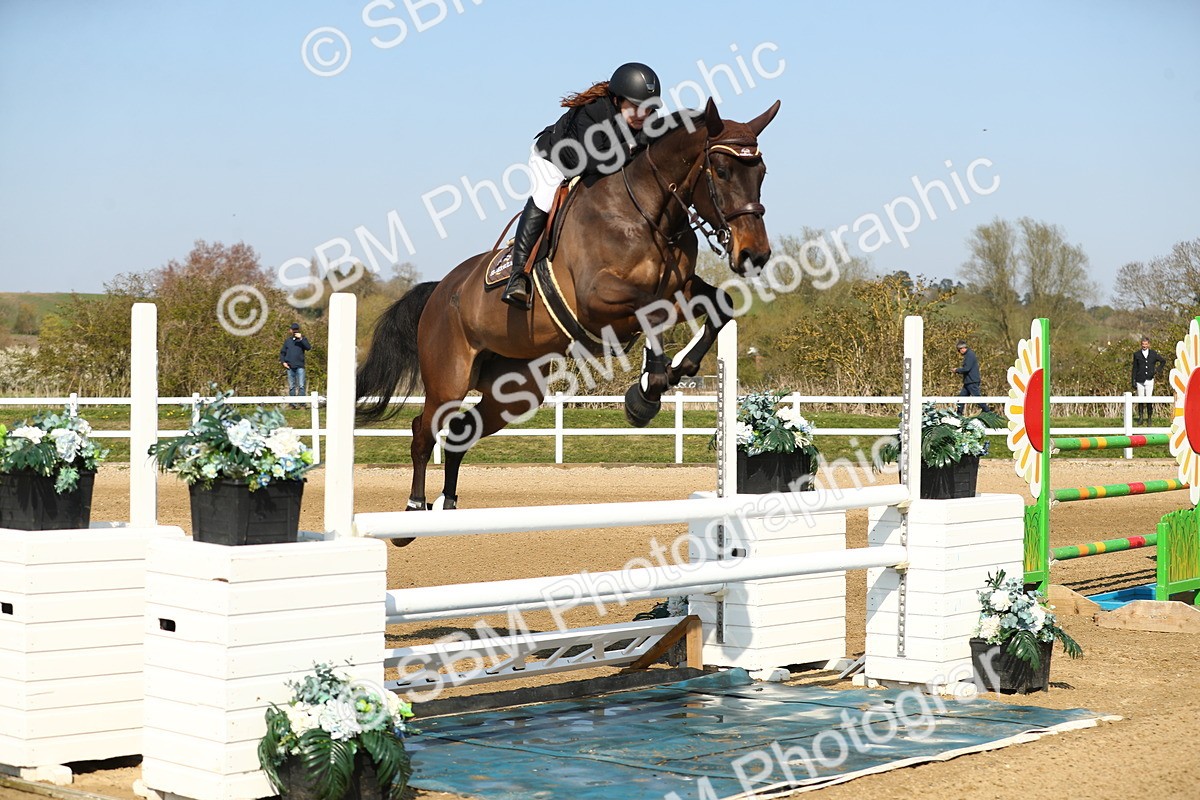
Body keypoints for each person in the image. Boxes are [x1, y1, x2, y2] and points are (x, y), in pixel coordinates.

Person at [501, 62, 662, 310]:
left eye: (649, 108)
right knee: (544, 199)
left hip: (595, 166)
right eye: (636, 107)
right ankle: (518, 274)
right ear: (618, 100)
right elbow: (590, 161)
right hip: (556, 161)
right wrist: (631, 148)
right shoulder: (593, 112)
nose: (643, 114)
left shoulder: (647, 121)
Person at [1131, 336, 1166, 425]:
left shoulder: (1153, 354)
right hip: (1140, 379)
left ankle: (1149, 418)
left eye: (1146, 344)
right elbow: (1134, 368)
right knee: (1140, 400)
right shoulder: (1137, 354)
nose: (1144, 346)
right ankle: (1141, 417)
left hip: (1150, 379)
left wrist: (1157, 370)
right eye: (1143, 344)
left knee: (1149, 399)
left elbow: (1163, 361)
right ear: (1141, 344)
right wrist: (1133, 380)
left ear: (1149, 344)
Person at [953, 339, 991, 414]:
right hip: (968, 381)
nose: (959, 352)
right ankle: (959, 414)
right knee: (961, 398)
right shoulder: (968, 355)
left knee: (977, 398)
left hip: (972, 381)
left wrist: (957, 370)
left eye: (959, 350)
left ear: (962, 348)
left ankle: (987, 411)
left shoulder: (970, 355)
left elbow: (967, 368)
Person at [280, 322, 312, 403]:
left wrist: (301, 338)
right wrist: (283, 362)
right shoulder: (288, 341)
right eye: (293, 330)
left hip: (300, 366)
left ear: (298, 330)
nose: (295, 331)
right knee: (291, 386)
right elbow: (282, 352)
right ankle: (293, 404)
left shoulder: (303, 339)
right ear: (290, 330)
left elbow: (308, 347)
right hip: (289, 367)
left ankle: (302, 404)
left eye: (296, 330)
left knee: (301, 386)